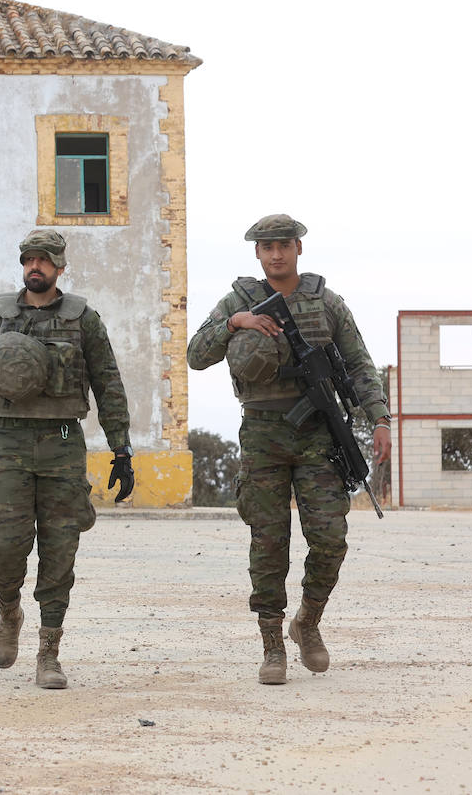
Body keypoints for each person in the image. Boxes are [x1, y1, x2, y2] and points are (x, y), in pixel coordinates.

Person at [187, 213, 391, 685]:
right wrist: (234, 324)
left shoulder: (327, 302)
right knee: (268, 542)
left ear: (299, 247)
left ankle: (308, 622)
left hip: (318, 435)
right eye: (266, 247)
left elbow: (359, 363)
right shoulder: (239, 300)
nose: (275, 254)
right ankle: (272, 645)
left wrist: (379, 417)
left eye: (283, 245)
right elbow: (196, 354)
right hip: (261, 434)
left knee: (330, 539)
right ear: (257, 254)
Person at [0, 229, 133, 689]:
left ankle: (49, 652)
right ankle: (9, 611)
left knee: (60, 547)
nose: (35, 267)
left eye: (44, 261)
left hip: (63, 442)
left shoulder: (83, 319)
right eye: (29, 259)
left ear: (60, 267)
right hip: (6, 440)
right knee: (5, 544)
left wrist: (121, 447)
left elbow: (108, 383)